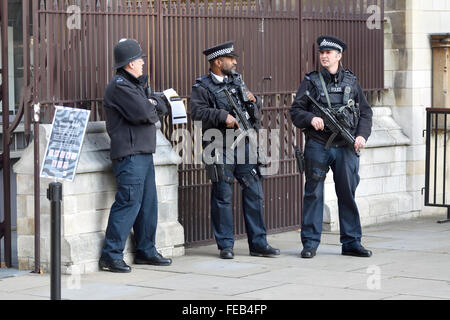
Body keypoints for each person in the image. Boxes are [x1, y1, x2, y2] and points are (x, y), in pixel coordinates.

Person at [190, 41, 280, 260]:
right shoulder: (201, 87)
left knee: (254, 192)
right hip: (219, 145)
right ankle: (226, 245)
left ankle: (258, 243)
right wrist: (222, 117)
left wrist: (254, 100)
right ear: (219, 62)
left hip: (245, 144)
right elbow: (196, 112)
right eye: (231, 59)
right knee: (223, 195)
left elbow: (251, 112)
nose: (235, 62)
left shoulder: (237, 81)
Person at [290, 35, 373, 259]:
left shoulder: (351, 81)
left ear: (339, 56)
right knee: (313, 194)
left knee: (347, 194)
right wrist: (310, 119)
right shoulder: (311, 81)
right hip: (318, 144)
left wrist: (362, 136)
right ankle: (310, 243)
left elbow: (365, 113)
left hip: (346, 146)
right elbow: (295, 111)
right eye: (321, 53)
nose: (324, 56)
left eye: (328, 53)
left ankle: (352, 242)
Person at [99, 38, 172, 273]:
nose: (142, 63)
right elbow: (146, 113)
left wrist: (153, 100)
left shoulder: (134, 85)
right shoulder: (120, 86)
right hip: (130, 156)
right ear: (130, 63)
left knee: (148, 205)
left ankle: (145, 250)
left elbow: (159, 105)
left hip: (142, 153)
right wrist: (152, 102)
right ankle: (111, 256)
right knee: (128, 203)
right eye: (140, 59)